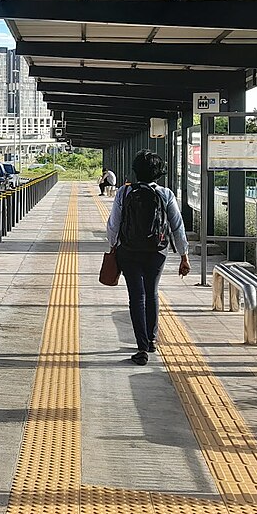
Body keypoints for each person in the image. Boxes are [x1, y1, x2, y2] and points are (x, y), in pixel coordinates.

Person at [105, 150, 191, 366]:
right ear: (158, 173)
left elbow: (113, 225)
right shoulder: (166, 194)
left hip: (129, 251)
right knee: (151, 292)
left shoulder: (124, 193)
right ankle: (152, 340)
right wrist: (184, 255)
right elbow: (177, 227)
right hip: (157, 252)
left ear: (135, 171)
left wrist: (113, 246)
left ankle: (141, 347)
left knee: (137, 296)